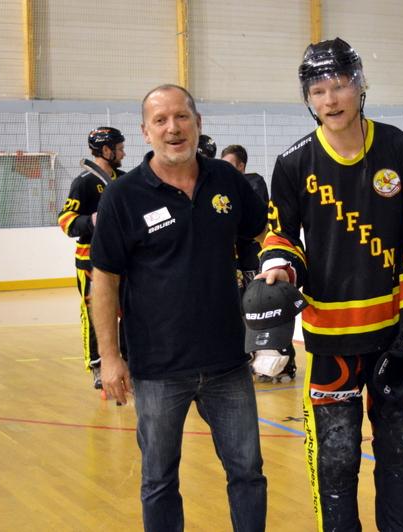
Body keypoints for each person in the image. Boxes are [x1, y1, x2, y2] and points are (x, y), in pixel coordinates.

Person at [258, 38, 403, 531]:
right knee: (337, 461)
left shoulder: (399, 149)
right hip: (331, 341)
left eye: (340, 85)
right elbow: (281, 234)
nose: (331, 99)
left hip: (395, 335)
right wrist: (280, 267)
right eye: (319, 89)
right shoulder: (293, 163)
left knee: (398, 458)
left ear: (360, 84)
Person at [89, 84, 268, 532]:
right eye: (161, 120)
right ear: (145, 131)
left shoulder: (227, 181)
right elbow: (104, 280)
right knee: (159, 480)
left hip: (228, 362)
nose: (173, 128)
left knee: (247, 473)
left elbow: (258, 237)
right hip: (157, 368)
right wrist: (110, 358)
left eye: (182, 117)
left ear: (198, 122)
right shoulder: (122, 196)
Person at [221, 144, 296, 383]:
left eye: (230, 164)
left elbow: (255, 221)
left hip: (257, 258)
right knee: (243, 311)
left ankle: (285, 359)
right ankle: (254, 358)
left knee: (267, 306)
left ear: (241, 166)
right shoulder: (222, 189)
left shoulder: (253, 184)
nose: (225, 170)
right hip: (237, 261)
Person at [57, 126, 125, 390]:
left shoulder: (123, 179)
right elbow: (66, 222)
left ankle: (128, 358)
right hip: (90, 262)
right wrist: (93, 220)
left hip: (124, 260)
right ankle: (97, 364)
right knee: (94, 312)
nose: (123, 152)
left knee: (129, 309)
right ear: (106, 150)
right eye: (119, 148)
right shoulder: (83, 183)